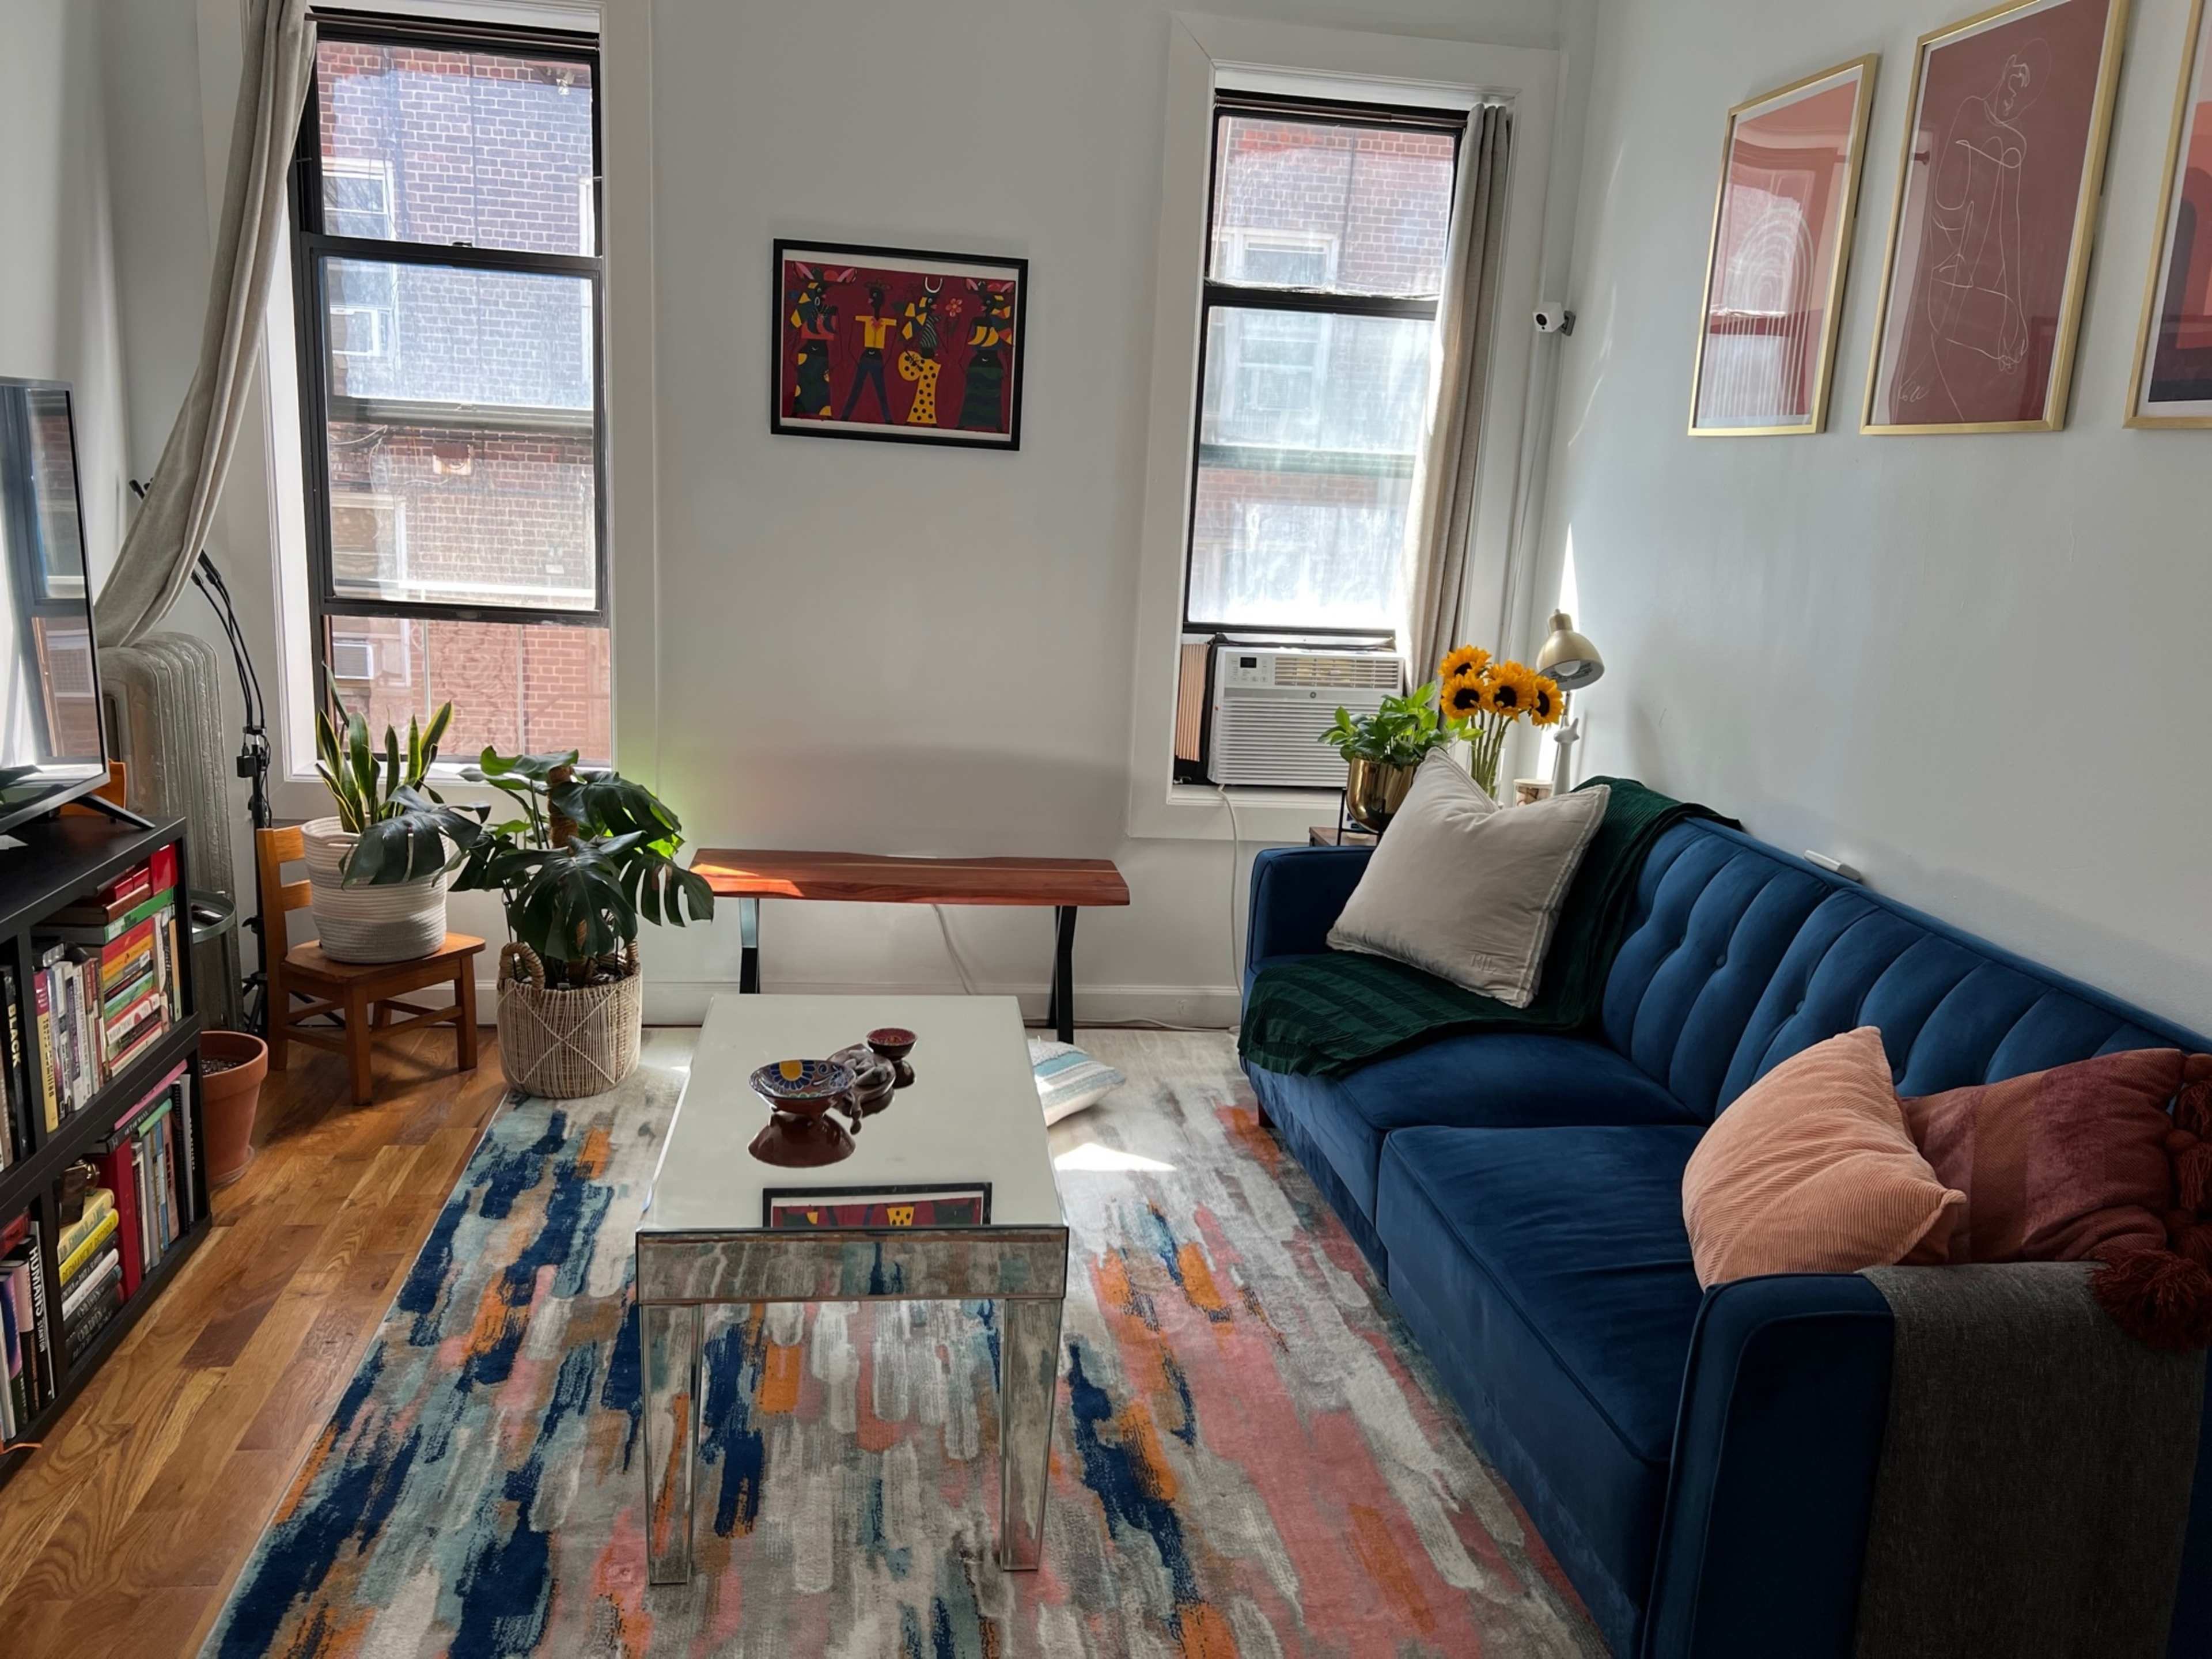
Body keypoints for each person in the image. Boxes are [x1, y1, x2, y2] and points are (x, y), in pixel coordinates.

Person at [1892, 39, 2048, 422]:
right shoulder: (1970, 112)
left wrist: (2014, 307)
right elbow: (1942, 207)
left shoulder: (2011, 145)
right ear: (2009, 65)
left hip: (1972, 265)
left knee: (1998, 328)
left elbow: (2007, 223)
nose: (2015, 99)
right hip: (1942, 254)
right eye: (2017, 80)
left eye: (2026, 97)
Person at [843, 285, 896, 422]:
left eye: (873, 298)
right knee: (857, 389)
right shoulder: (866, 319)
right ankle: (845, 417)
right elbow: (853, 326)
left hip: (877, 358)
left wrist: (888, 358)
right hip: (866, 357)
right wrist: (854, 355)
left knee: (881, 392)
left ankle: (888, 420)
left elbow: (895, 331)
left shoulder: (886, 322)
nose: (870, 301)